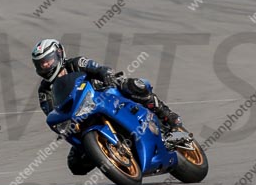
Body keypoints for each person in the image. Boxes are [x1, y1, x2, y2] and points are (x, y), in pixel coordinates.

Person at [32, 39, 182, 176]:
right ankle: (109, 155)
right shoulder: (44, 91)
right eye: (40, 63)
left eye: (47, 60)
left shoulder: (76, 63)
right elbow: (52, 112)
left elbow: (97, 68)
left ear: (59, 54)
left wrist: (106, 74)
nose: (45, 65)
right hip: (80, 118)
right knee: (75, 164)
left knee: (134, 85)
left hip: (104, 95)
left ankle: (167, 117)